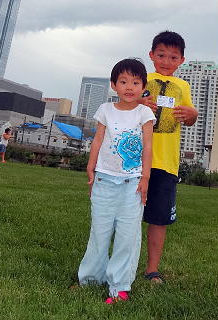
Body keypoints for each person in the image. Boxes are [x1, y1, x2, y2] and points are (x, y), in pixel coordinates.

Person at [78, 58, 155, 304]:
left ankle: (119, 286)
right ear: (113, 85)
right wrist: (91, 167)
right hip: (104, 180)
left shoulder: (144, 113)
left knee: (126, 237)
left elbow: (148, 146)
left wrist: (145, 177)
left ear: (143, 86)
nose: (129, 87)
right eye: (123, 81)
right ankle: (90, 279)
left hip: (132, 184)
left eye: (135, 82)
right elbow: (98, 140)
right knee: (99, 233)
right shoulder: (105, 110)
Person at [140, 31, 198, 284]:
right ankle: (123, 260)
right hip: (136, 160)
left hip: (166, 163)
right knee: (127, 214)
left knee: (159, 218)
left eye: (173, 57)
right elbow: (126, 105)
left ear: (181, 60)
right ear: (151, 55)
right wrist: (140, 104)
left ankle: (152, 269)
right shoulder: (141, 79)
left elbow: (190, 117)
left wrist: (192, 114)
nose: (166, 61)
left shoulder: (183, 86)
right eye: (161, 55)